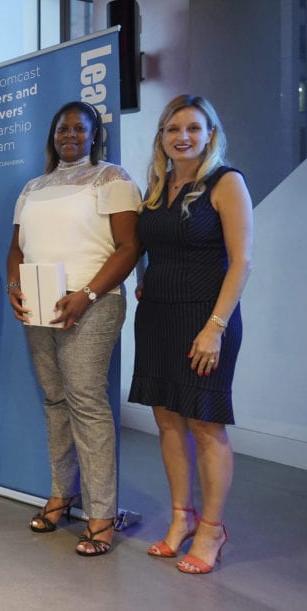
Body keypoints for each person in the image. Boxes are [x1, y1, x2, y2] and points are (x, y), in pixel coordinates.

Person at [6, 101, 141, 555]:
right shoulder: (32, 187)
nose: (70, 136)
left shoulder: (112, 178)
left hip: (93, 302)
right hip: (40, 303)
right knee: (55, 399)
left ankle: (101, 515)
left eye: (79, 129)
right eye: (62, 129)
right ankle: (63, 495)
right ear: (52, 136)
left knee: (85, 401)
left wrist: (86, 295)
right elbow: (16, 250)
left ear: (93, 135)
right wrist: (13, 285)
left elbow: (129, 247)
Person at [129, 95, 252, 575]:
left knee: (204, 423)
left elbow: (242, 261)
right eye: (172, 128)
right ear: (161, 137)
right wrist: (145, 276)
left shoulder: (226, 182)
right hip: (157, 317)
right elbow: (147, 242)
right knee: (167, 422)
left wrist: (215, 329)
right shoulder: (157, 188)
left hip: (206, 319)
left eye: (193, 128)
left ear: (210, 134)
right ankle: (182, 517)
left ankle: (213, 529)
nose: (183, 136)